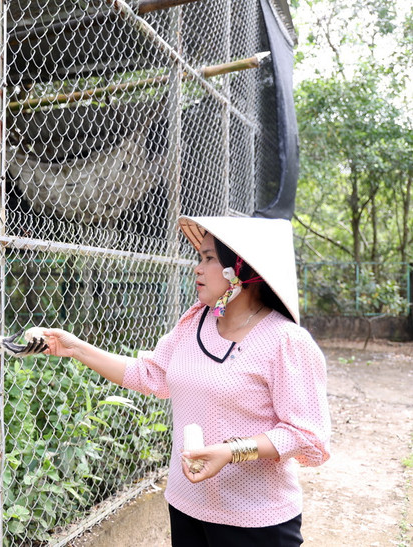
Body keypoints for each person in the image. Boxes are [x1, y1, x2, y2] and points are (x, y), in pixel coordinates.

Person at [35, 216, 331, 546]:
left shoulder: (286, 341)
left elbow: (308, 436)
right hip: (187, 505)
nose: (197, 268)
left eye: (208, 259)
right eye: (198, 258)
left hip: (256, 519)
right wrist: (75, 348)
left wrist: (232, 451)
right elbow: (150, 375)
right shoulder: (192, 323)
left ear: (241, 270)